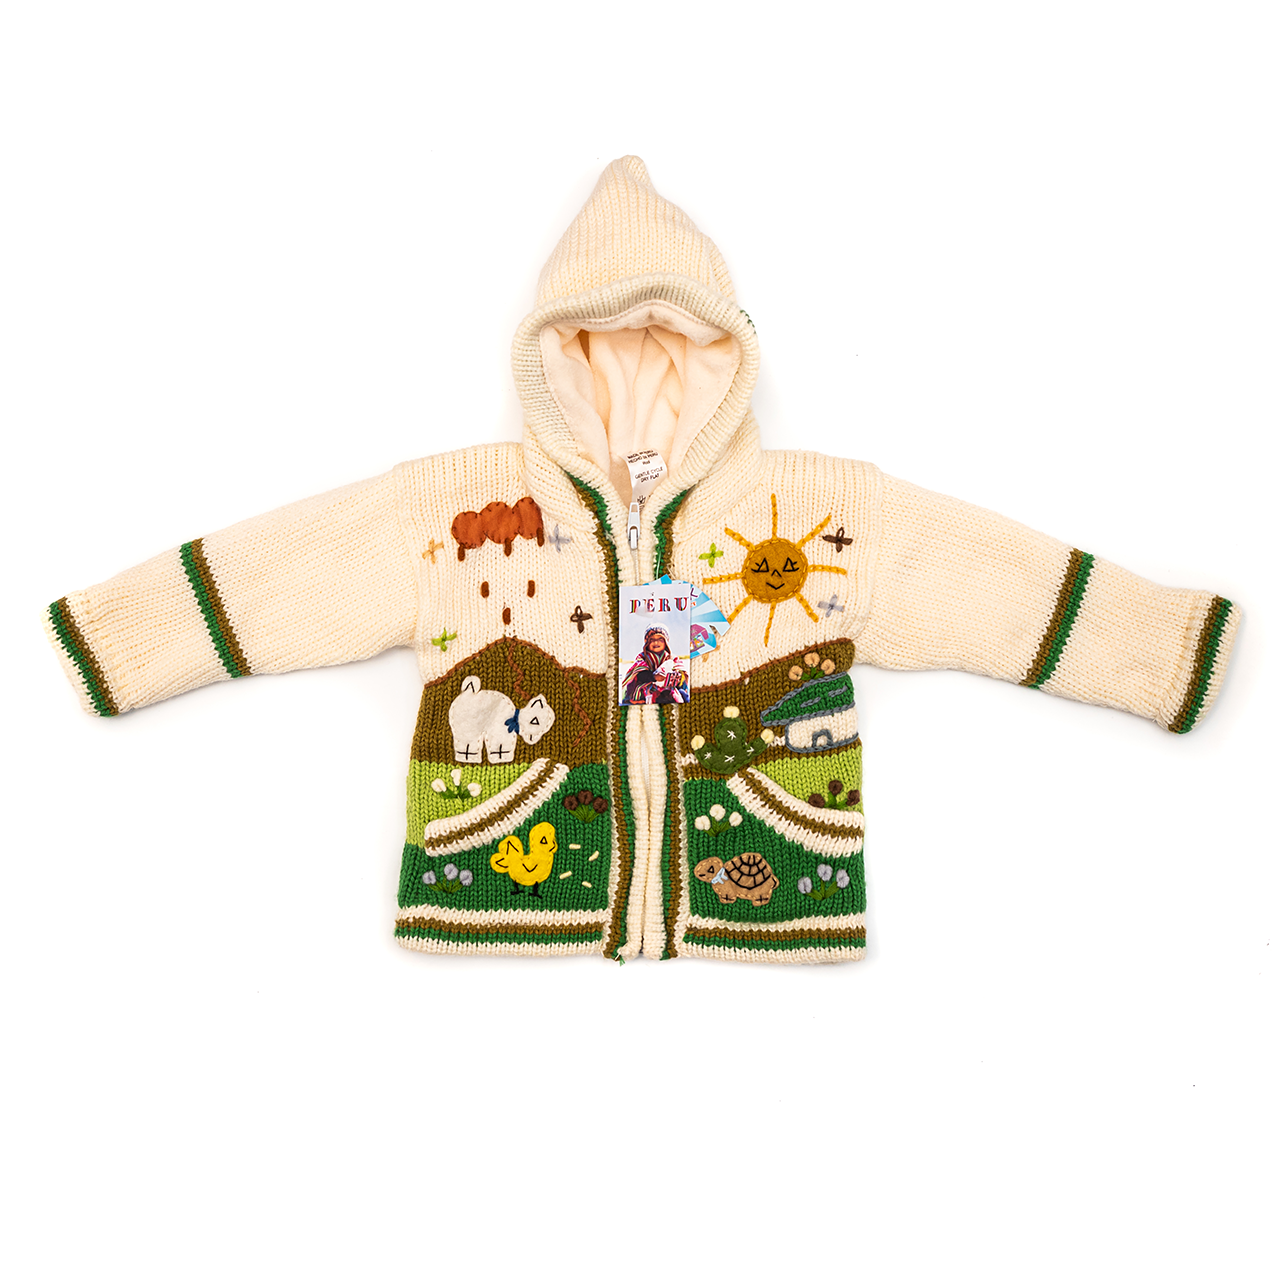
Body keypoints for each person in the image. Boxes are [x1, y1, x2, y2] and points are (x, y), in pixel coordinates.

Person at [621, 626, 690, 705]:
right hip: (647, 687)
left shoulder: (672, 658)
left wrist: (677, 676)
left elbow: (682, 673)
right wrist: (654, 677)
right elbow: (639, 675)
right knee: (649, 696)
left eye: (660, 639)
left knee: (682, 694)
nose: (656, 642)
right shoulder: (643, 657)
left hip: (669, 687)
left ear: (666, 642)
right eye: (652, 640)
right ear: (646, 642)